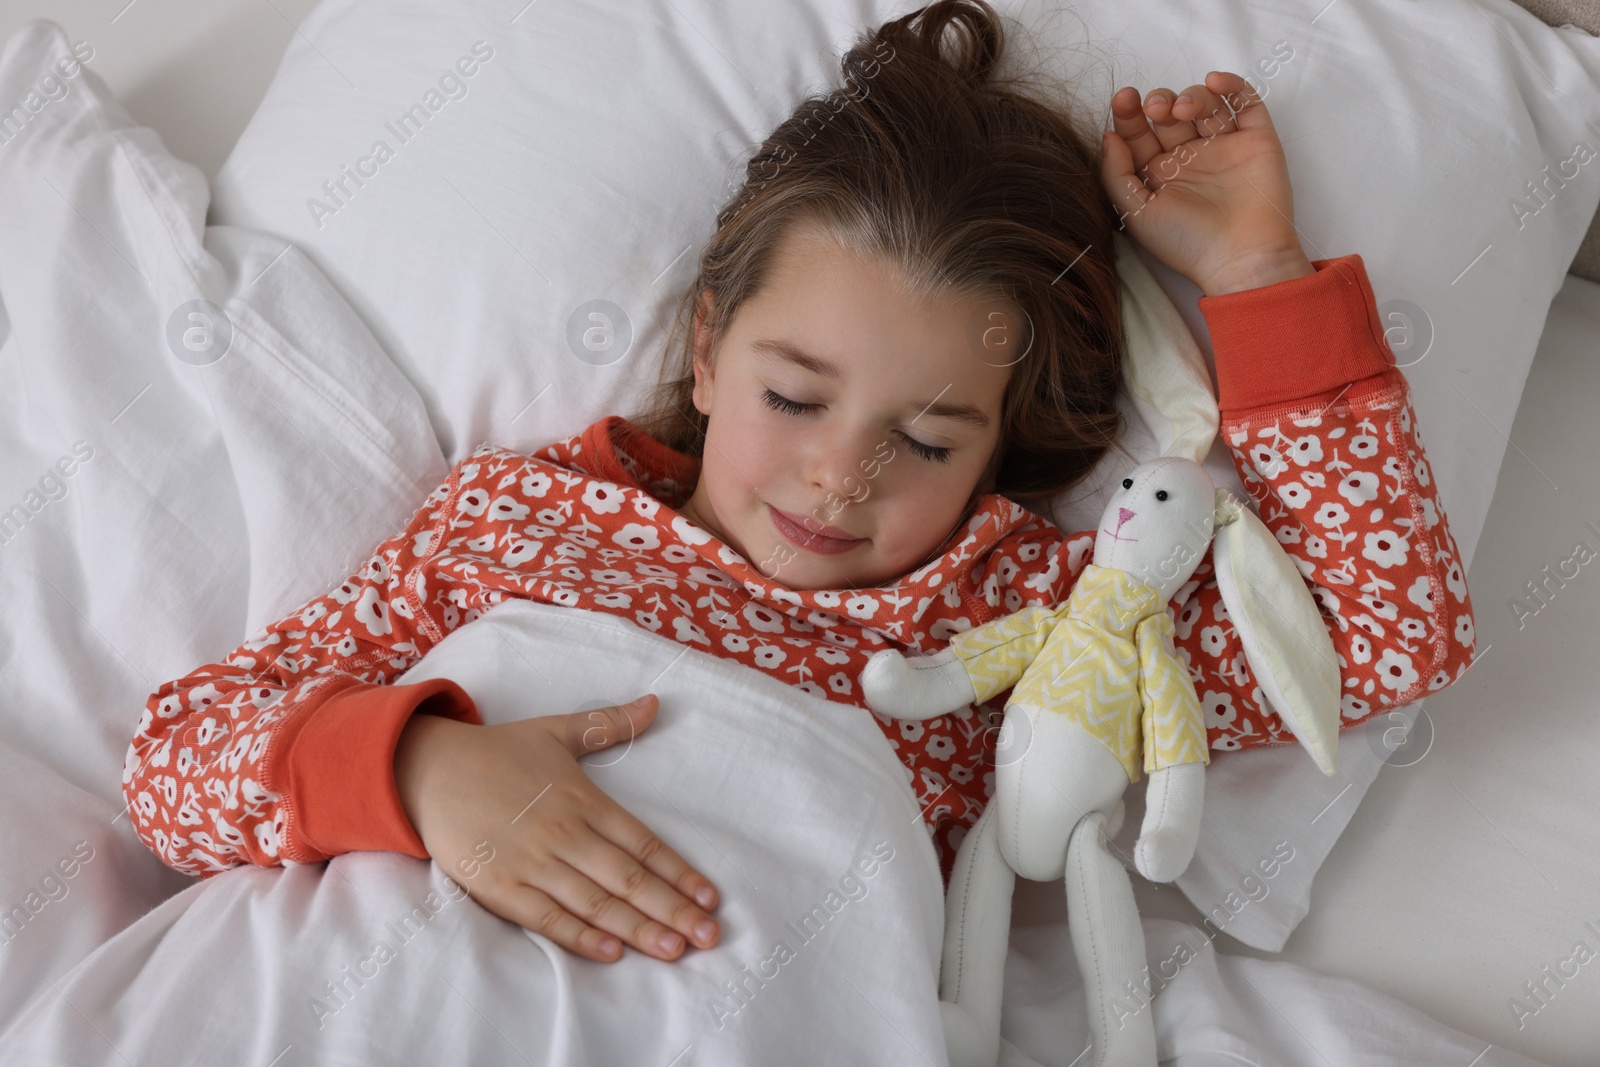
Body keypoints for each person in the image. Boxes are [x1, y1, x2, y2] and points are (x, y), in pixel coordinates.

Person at [123, 0, 1478, 970]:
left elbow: (1378, 633)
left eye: (934, 439)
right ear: (708, 350)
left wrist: (1255, 276)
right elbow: (176, 766)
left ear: (1003, 451)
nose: (844, 471)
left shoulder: (1018, 620)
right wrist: (419, 770)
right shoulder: (513, 519)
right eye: (793, 395)